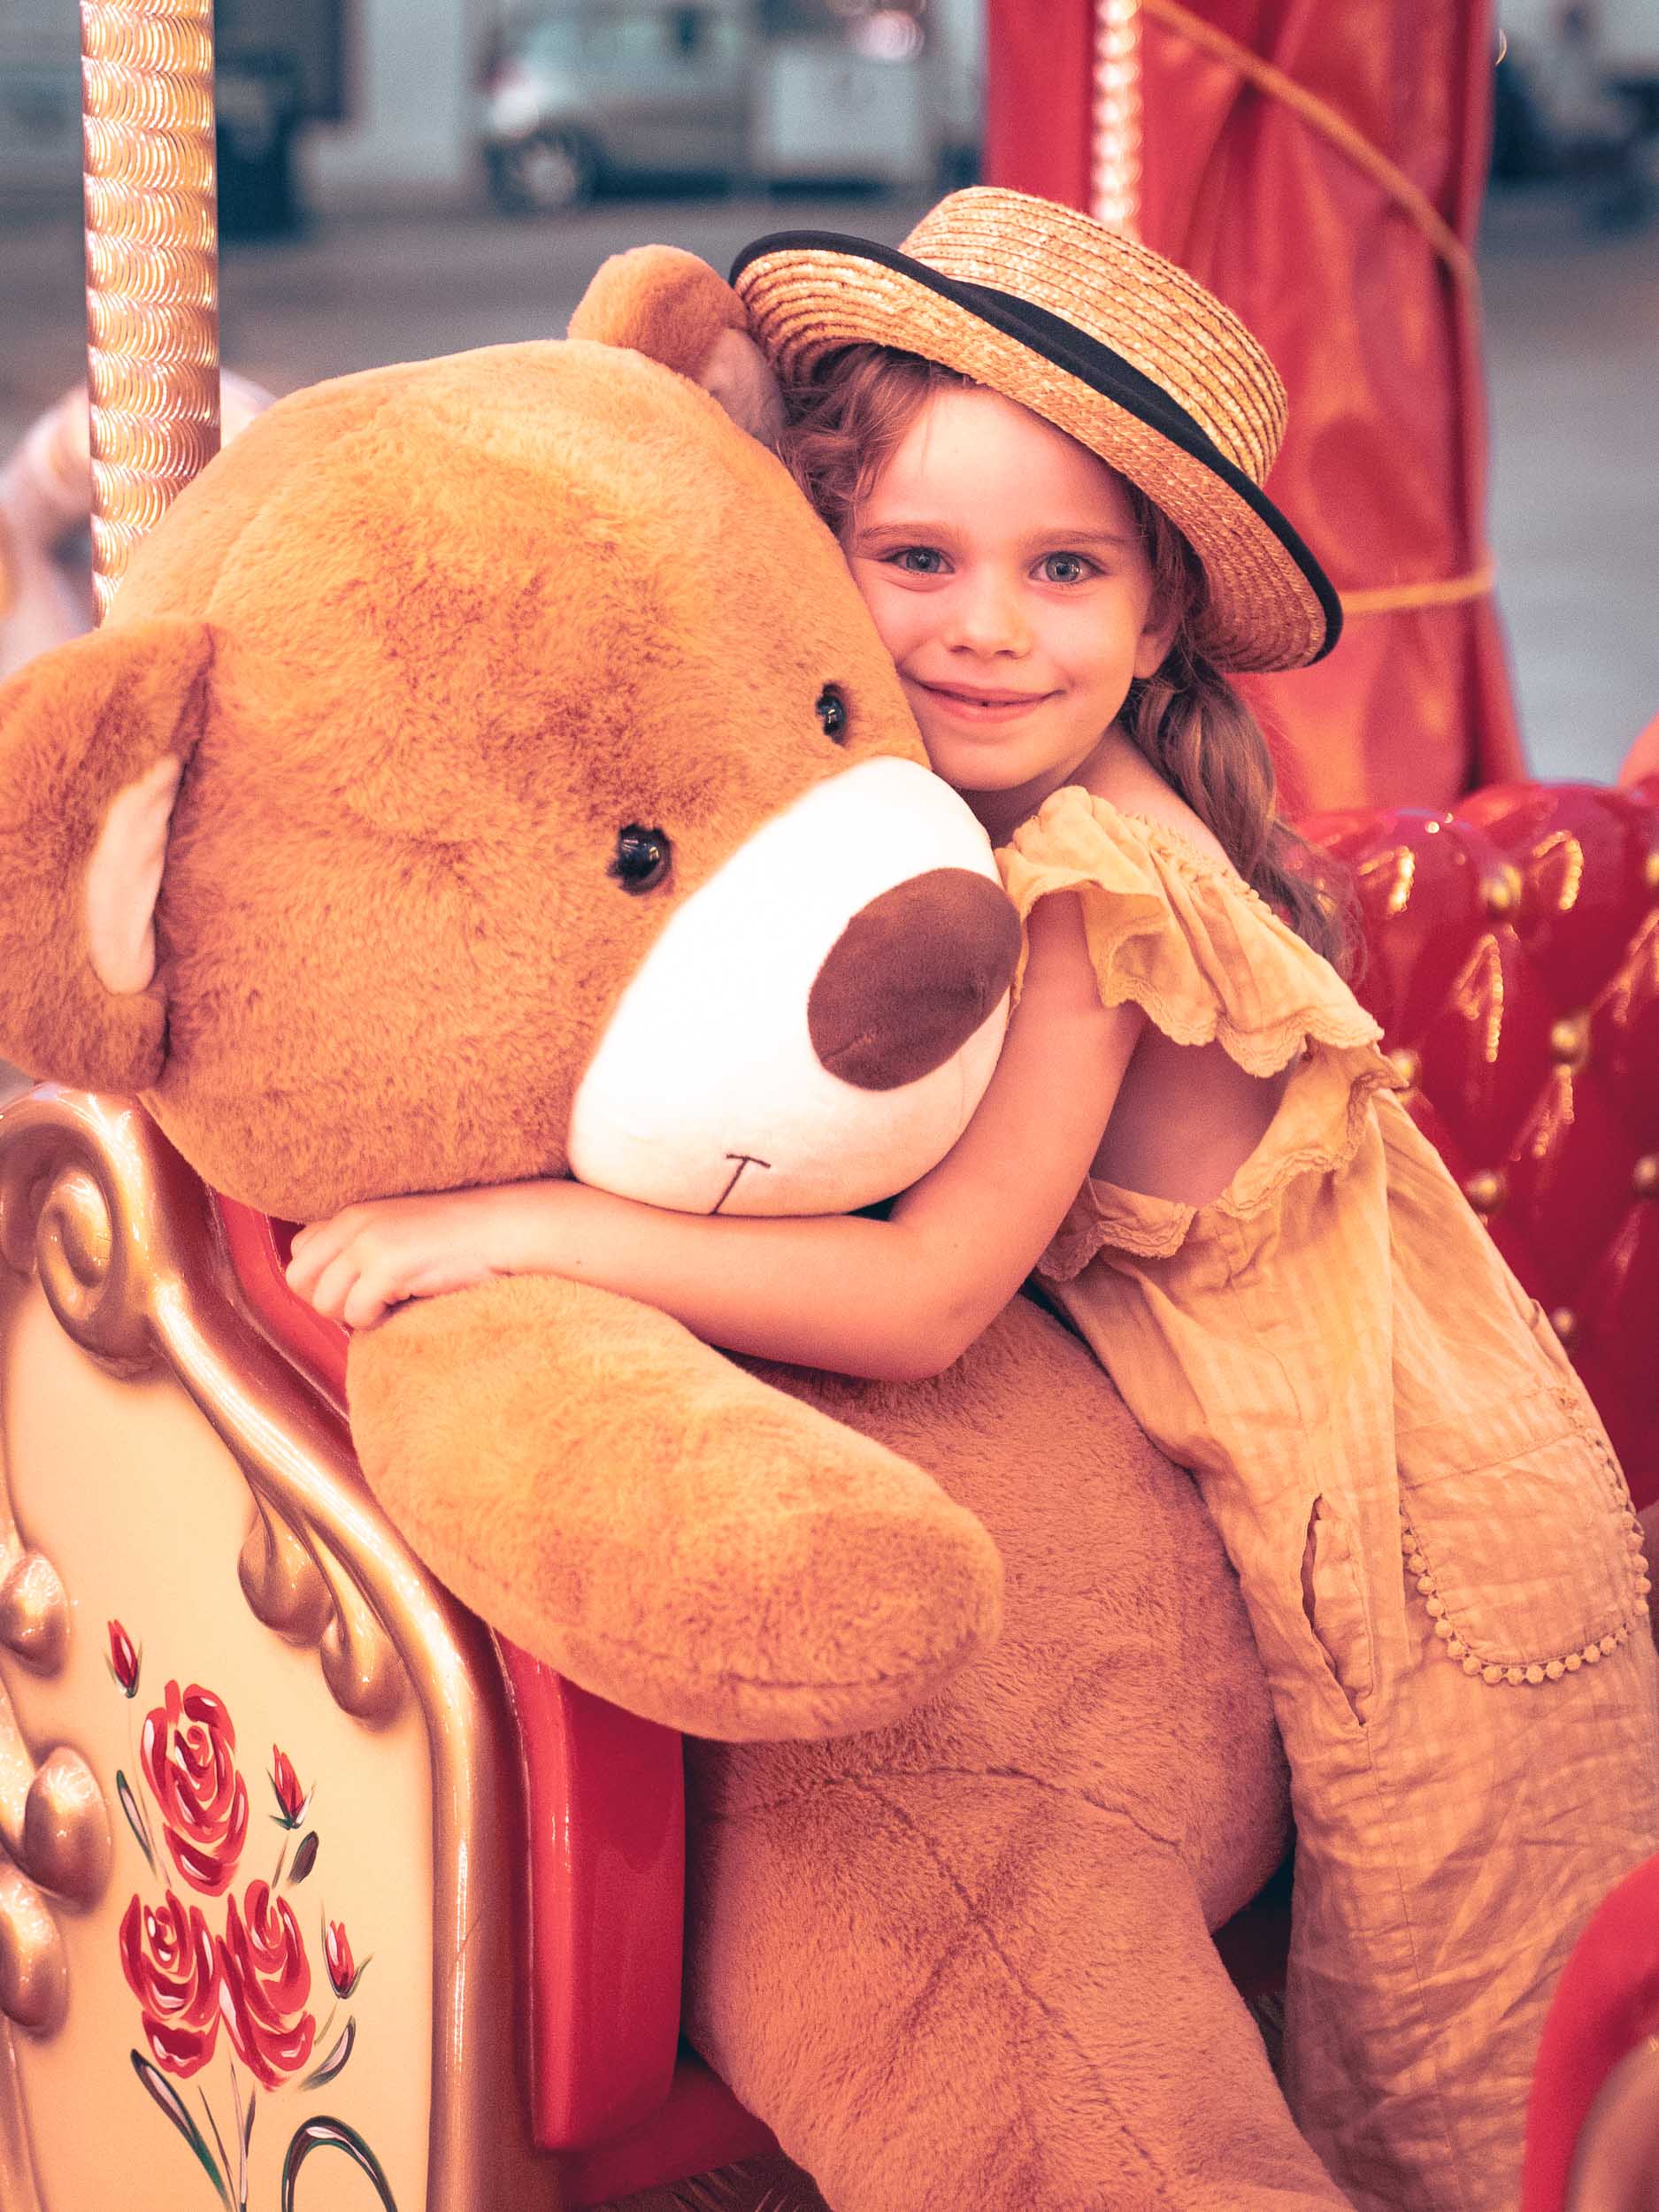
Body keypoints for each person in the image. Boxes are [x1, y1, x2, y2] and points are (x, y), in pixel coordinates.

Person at [287, 189, 1659, 2212]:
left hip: (1408, 1521)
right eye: (913, 558)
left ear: (1156, 617)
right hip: (1311, 1471)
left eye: (1062, 572)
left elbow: (929, 1289)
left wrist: (524, 1224)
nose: (984, 628)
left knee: (1449, 2062)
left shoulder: (1093, 878)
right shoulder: (931, 823)